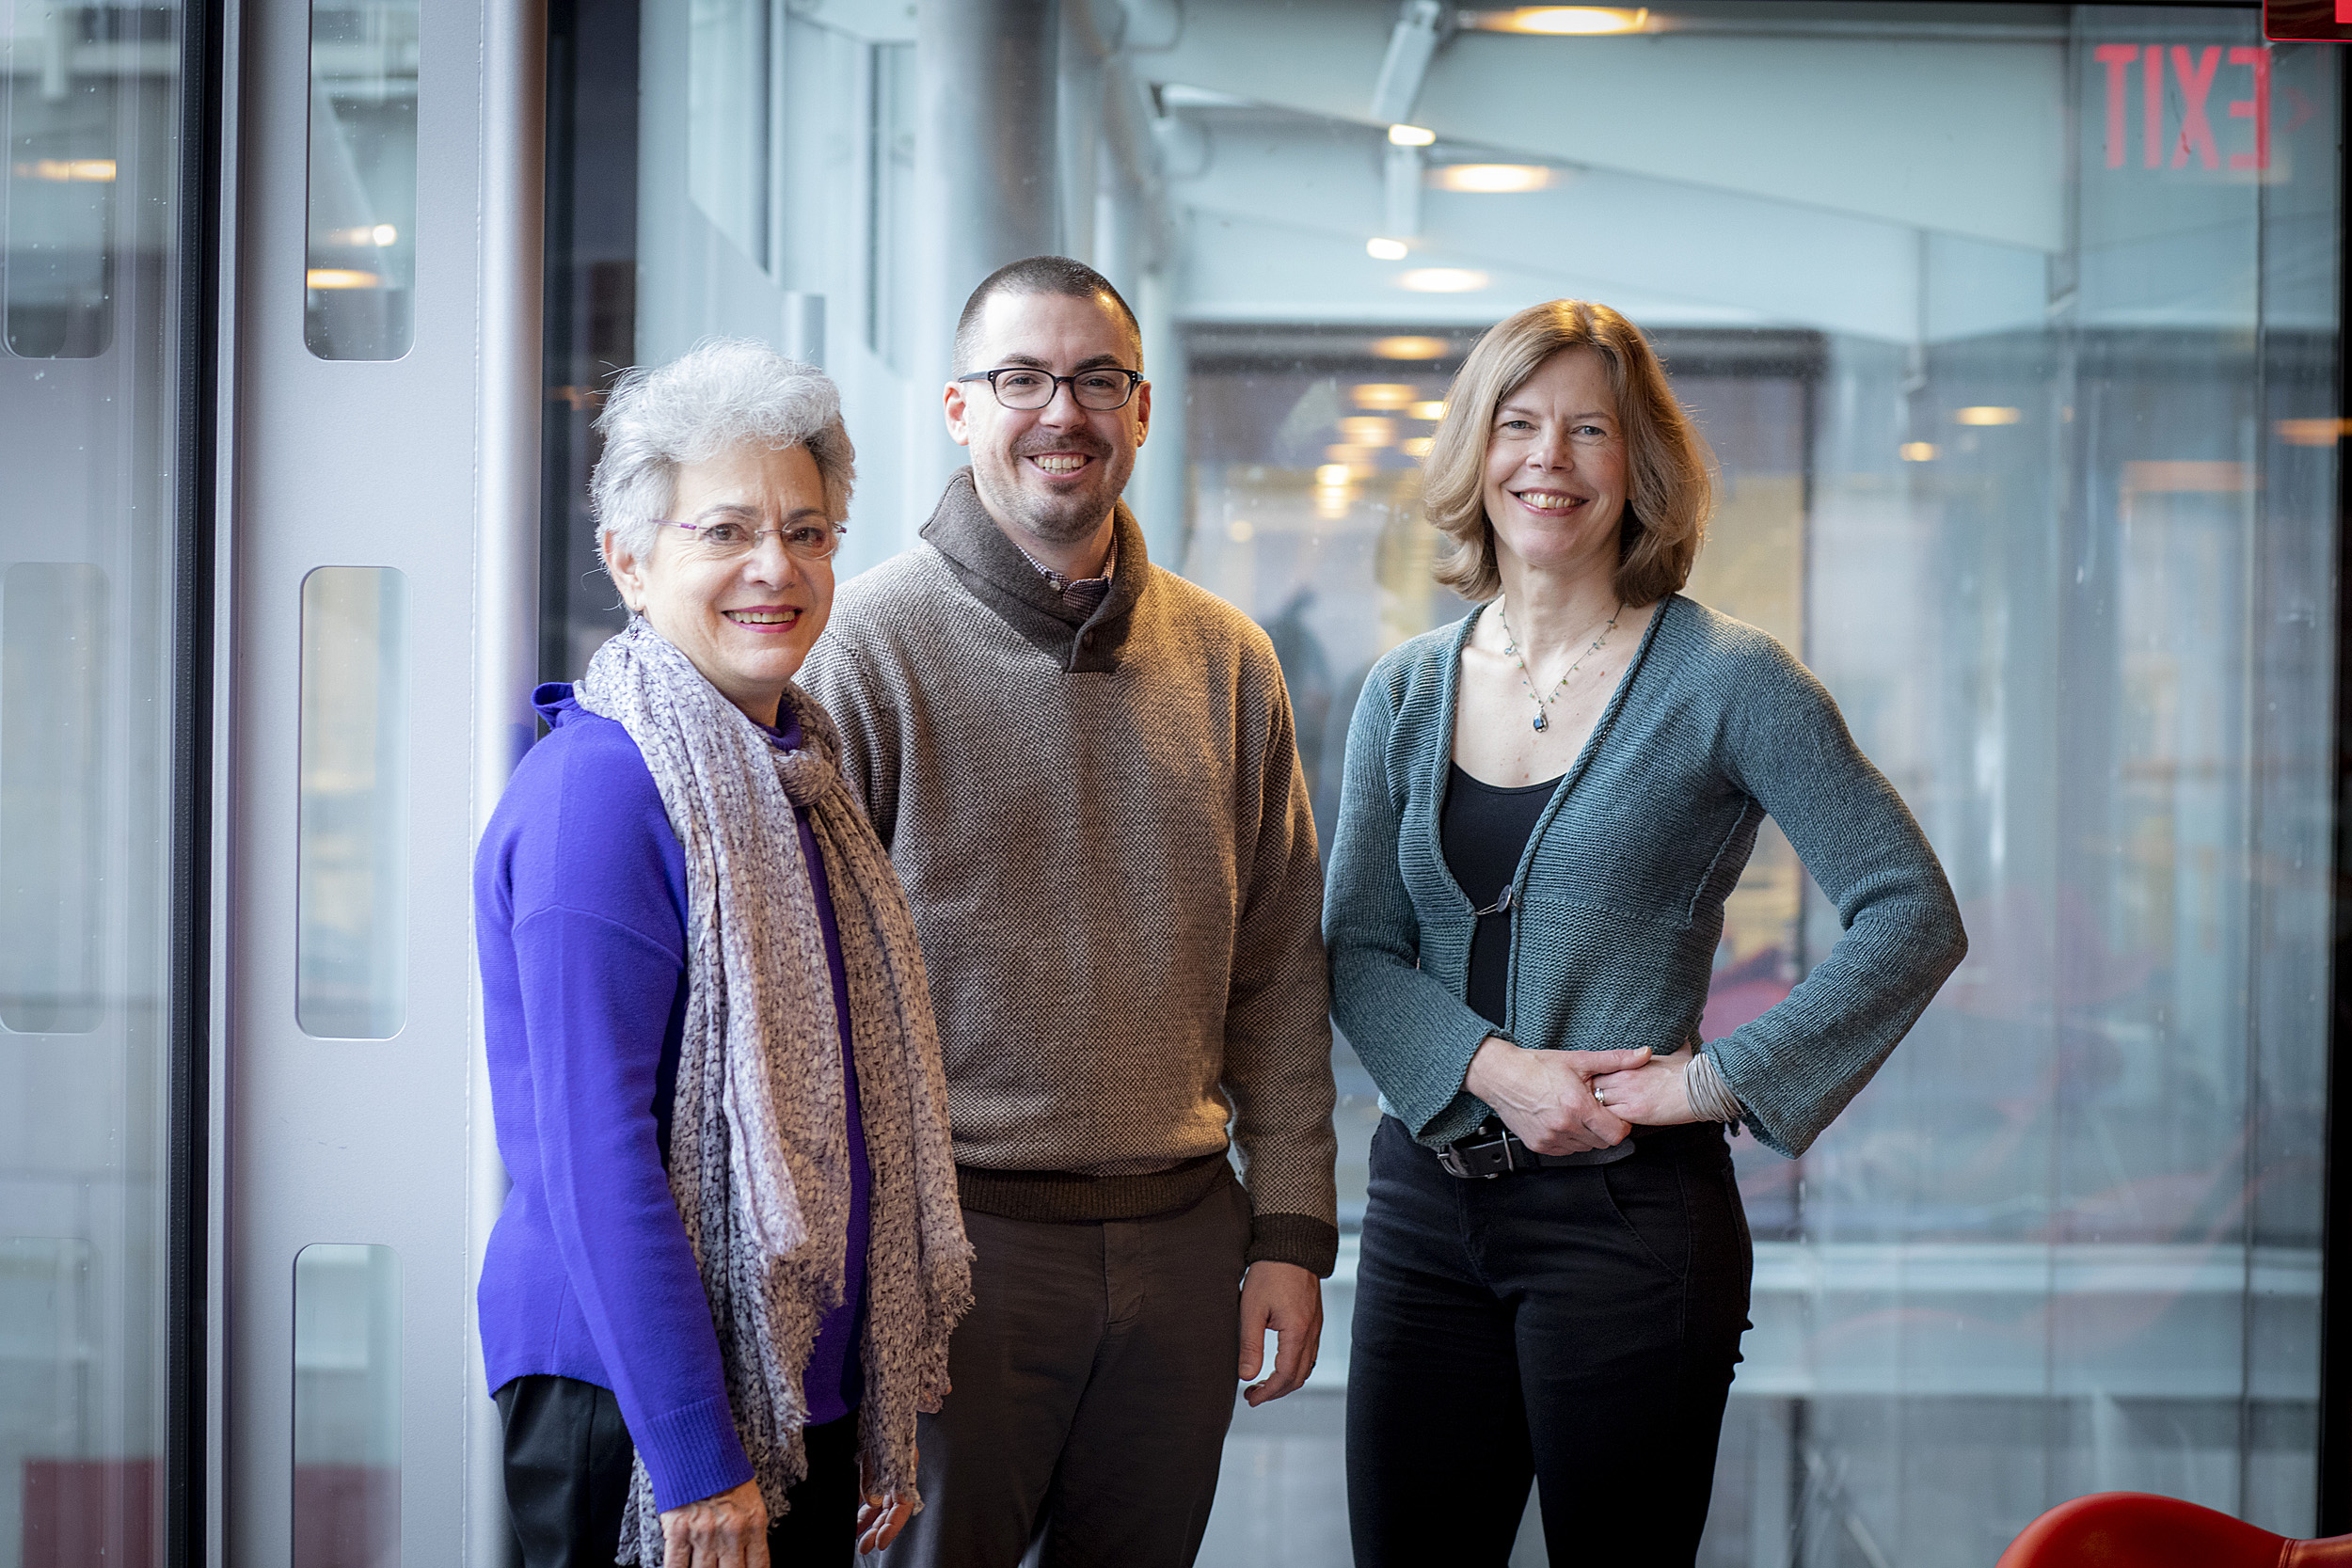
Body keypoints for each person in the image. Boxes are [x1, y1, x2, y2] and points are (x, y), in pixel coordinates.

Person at [1324, 299, 1968, 1567]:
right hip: (1423, 1213)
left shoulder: (1731, 680)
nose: (1547, 461)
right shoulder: (1405, 688)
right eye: (1517, 425)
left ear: (1640, 467)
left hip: (1625, 1226)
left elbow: (1912, 914)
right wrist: (1493, 1072)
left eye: (1587, 431)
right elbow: (1354, 948)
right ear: (1476, 453)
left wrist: (1711, 1083)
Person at [799, 256, 1339, 1568]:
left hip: (1182, 1247)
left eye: (1097, 381)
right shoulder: (861, 650)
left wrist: (1292, 1230)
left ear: (1142, 410)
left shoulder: (1228, 660)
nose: (1064, 412)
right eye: (1023, 379)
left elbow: (1276, 966)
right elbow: (798, 994)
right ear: (956, 408)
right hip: (954, 1256)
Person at [474, 340, 972, 1568]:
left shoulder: (795, 776)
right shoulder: (603, 792)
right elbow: (597, 1160)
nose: (777, 568)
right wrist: (698, 1454)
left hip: (783, 1392)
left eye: (807, 532)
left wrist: (847, 1391)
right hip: (639, 1405)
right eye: (727, 532)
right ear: (629, 563)